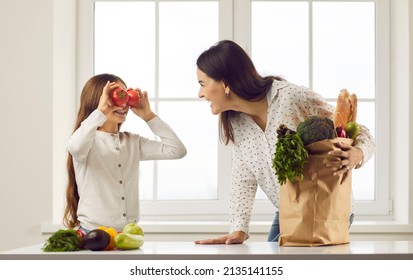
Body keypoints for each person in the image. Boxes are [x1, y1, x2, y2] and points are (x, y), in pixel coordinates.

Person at [194, 40, 375, 245]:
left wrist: (358, 154)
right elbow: (243, 178)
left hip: (325, 208)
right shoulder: (236, 121)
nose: (200, 93)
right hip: (288, 211)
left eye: (202, 84)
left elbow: (357, 129)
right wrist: (239, 228)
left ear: (225, 83)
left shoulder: (290, 97)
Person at [63, 73, 187, 233]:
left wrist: (149, 116)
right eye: (115, 98)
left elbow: (177, 150)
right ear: (99, 101)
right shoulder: (87, 142)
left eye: (125, 96)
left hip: (128, 234)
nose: (123, 104)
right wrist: (101, 112)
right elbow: (74, 147)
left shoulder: (132, 142)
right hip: (93, 234)